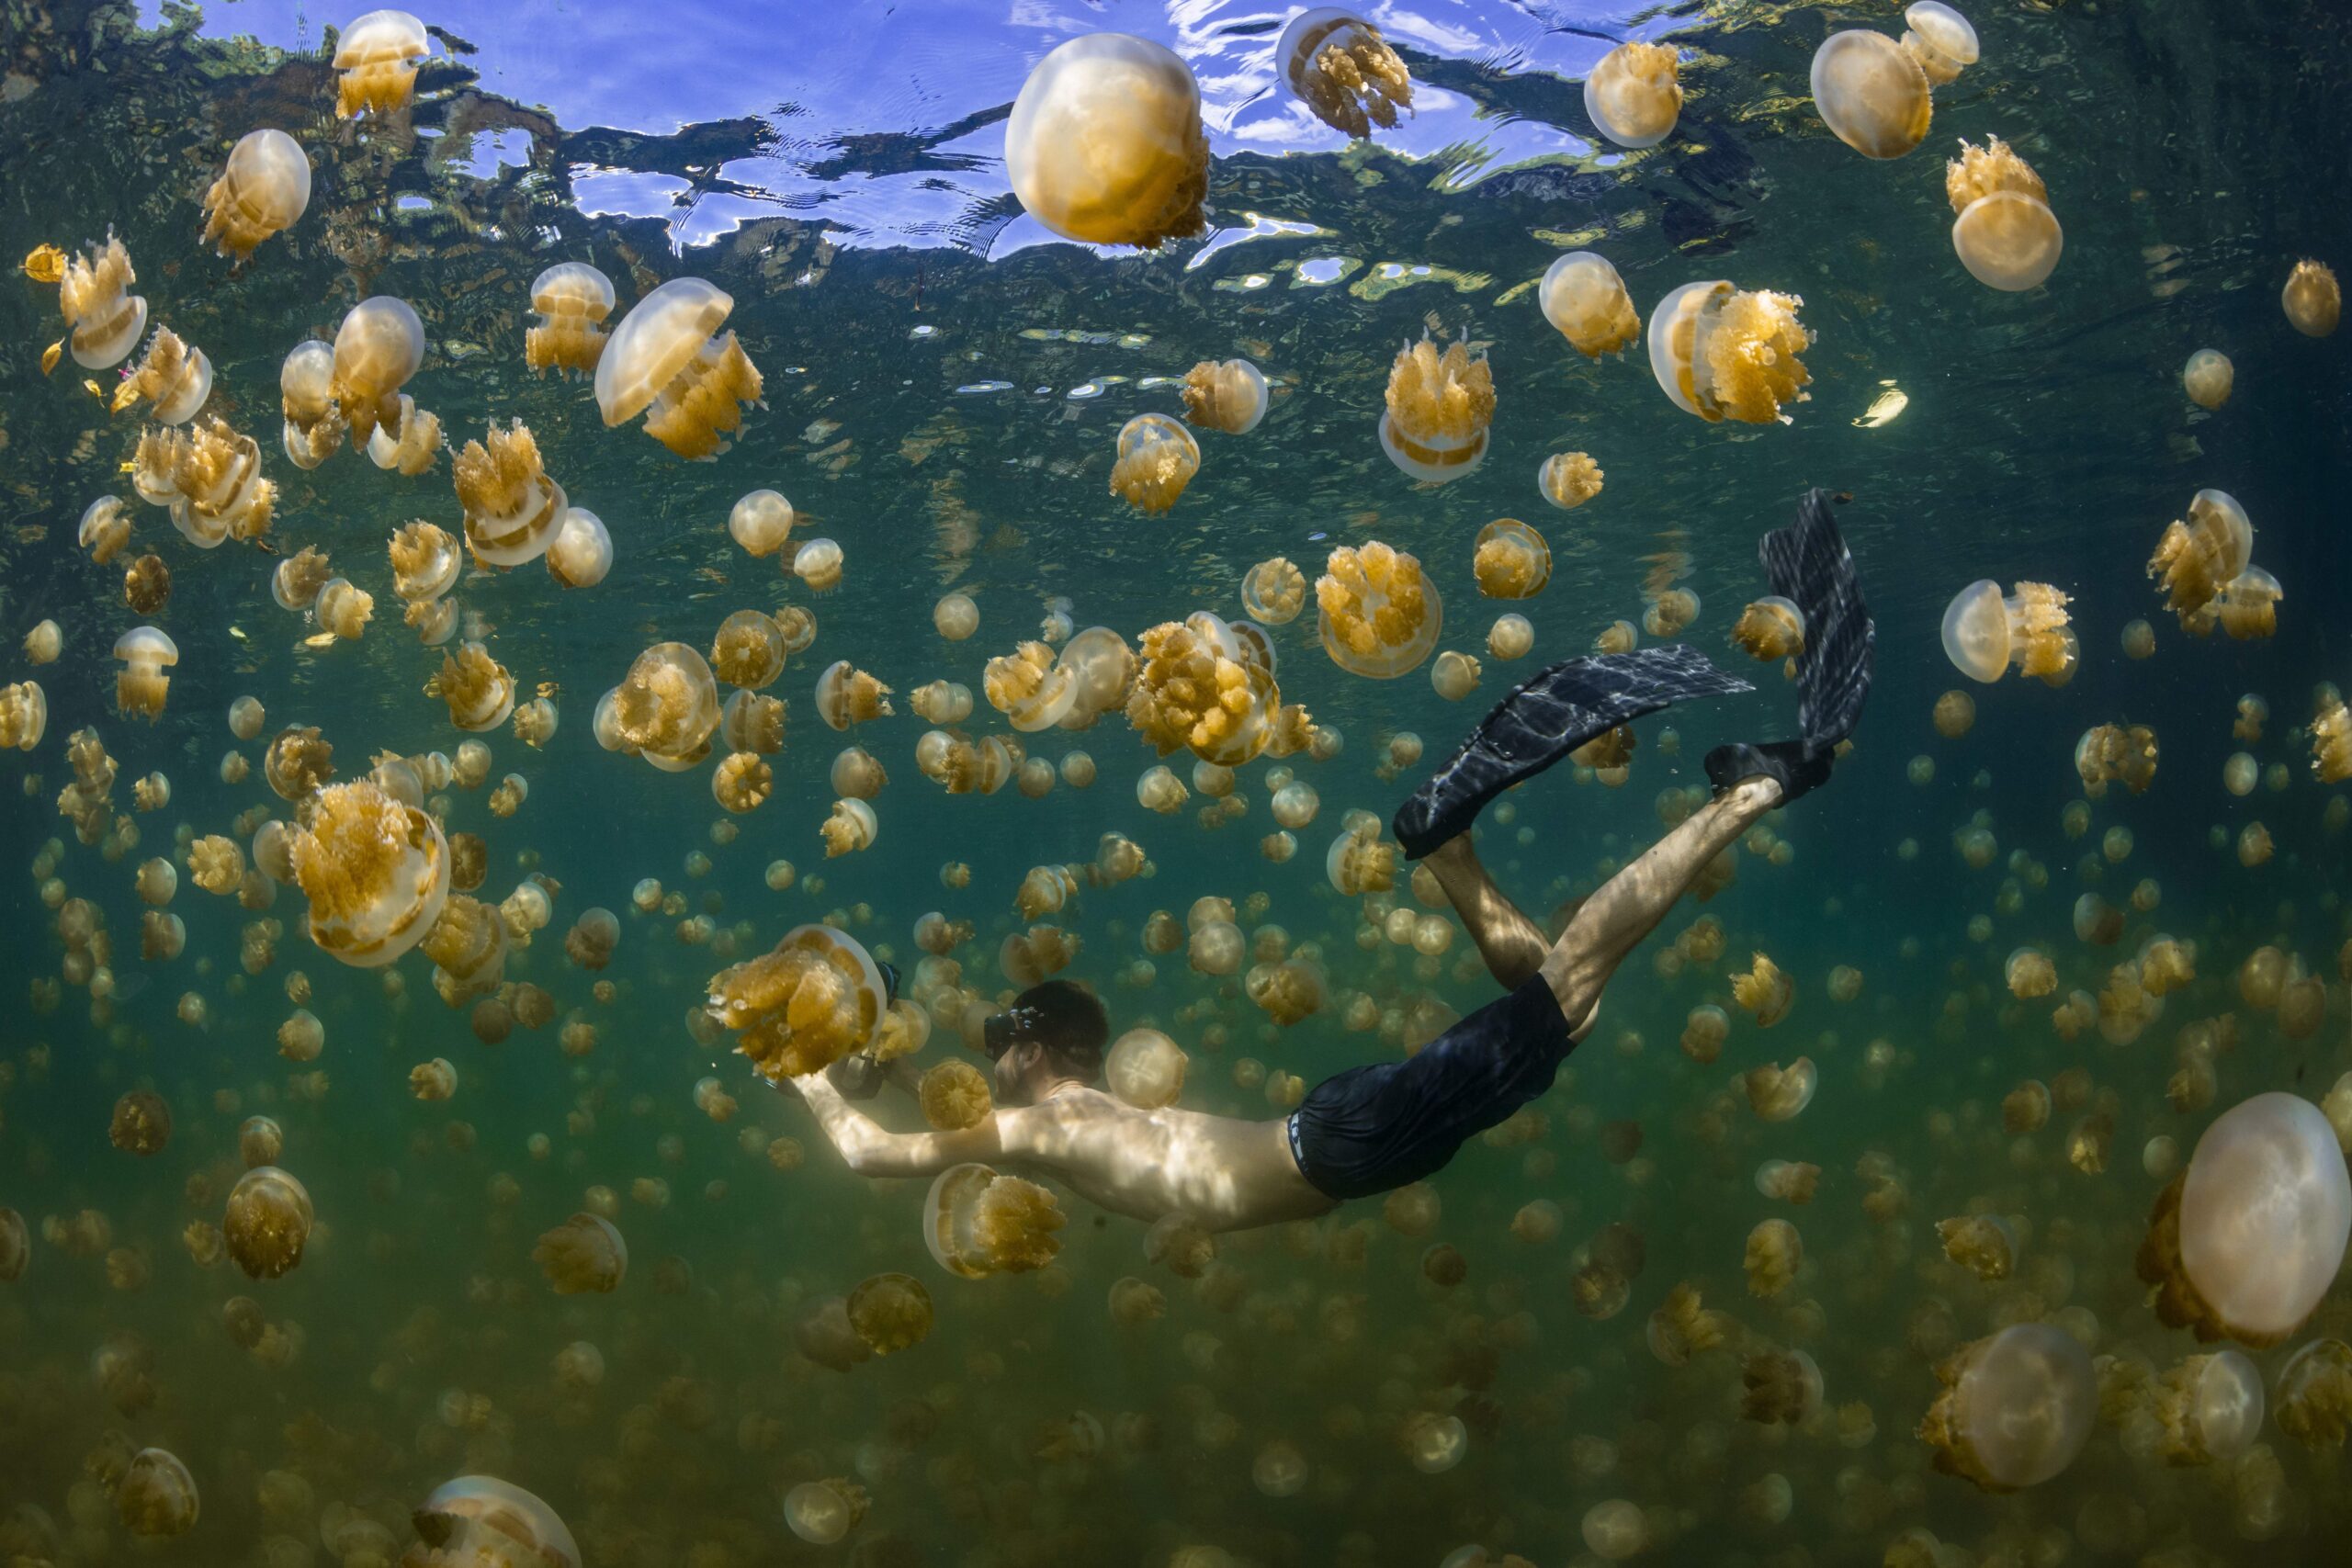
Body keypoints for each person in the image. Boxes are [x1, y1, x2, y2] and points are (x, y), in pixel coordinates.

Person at [791, 490, 1873, 1233]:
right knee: (1557, 1007)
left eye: (999, 1036)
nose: (985, 1056)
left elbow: (867, 1157)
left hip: (1344, 1142)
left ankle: (1756, 790)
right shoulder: (1081, 1121)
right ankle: (1445, 849)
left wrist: (800, 1067)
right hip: (1336, 1136)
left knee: (1569, 994)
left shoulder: (1045, 1123)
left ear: (1046, 1048)